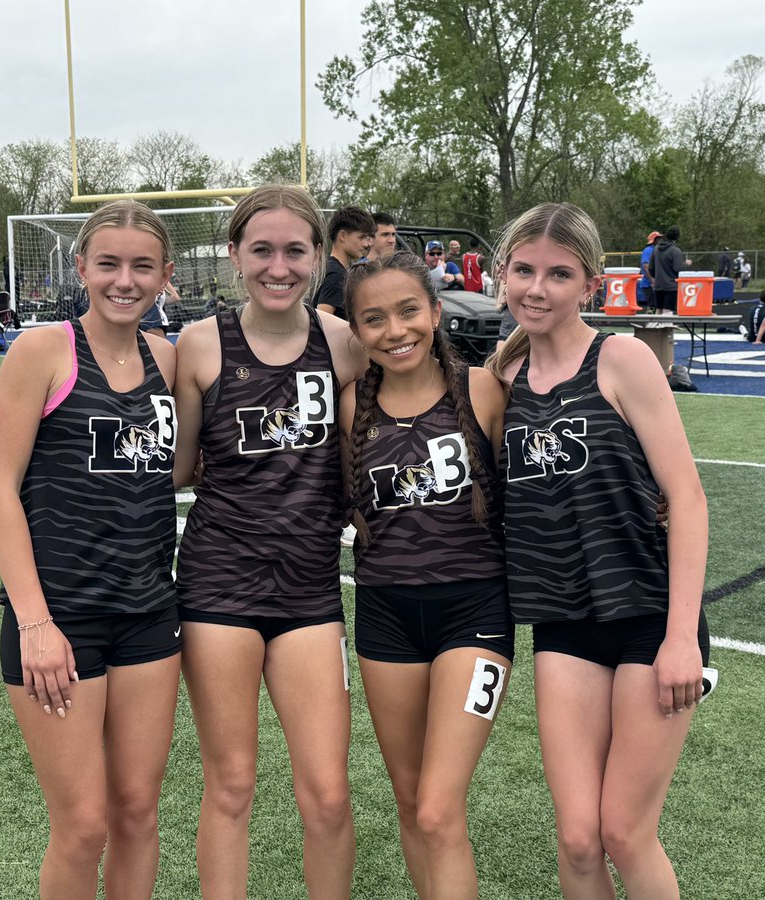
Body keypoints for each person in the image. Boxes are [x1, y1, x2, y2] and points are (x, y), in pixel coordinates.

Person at [487, 202, 710, 900]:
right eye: (523, 270)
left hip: (648, 616)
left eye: (559, 274)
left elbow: (689, 499)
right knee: (579, 837)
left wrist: (682, 637)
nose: (537, 288)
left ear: (589, 285)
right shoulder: (501, 381)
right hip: (563, 624)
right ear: (501, 274)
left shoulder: (620, 359)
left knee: (624, 832)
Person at [0, 200, 182, 900]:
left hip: (150, 613)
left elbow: (182, 469)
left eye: (141, 266)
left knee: (136, 814)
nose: (124, 280)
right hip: (59, 619)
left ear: (165, 275)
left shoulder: (168, 358)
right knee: (83, 826)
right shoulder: (43, 350)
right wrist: (36, 625)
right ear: (81, 268)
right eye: (109, 264)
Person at [172, 184, 367, 899]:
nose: (277, 266)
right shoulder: (199, 344)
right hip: (218, 587)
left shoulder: (343, 343)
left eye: (294, 250)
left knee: (328, 794)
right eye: (261, 250)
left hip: (310, 593)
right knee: (231, 785)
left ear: (319, 256)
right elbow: (181, 467)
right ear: (234, 255)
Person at [341, 251, 511, 897]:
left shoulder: (483, 390)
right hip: (385, 620)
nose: (396, 329)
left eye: (409, 310)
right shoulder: (351, 405)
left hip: (474, 618)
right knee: (411, 804)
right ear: (357, 332)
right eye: (374, 318)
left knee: (440, 809)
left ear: (436, 311)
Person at [315, 205, 375, 320]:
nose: (366, 244)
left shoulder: (330, 268)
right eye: (361, 237)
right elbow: (322, 321)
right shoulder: (336, 275)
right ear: (342, 236)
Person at [648, 225, 687, 313]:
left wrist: (657, 277)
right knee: (667, 310)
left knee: (659, 309)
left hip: (658, 285)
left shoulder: (656, 249)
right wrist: (686, 265)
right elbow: (678, 269)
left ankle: (657, 326)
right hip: (671, 286)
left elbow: (651, 268)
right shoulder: (675, 251)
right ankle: (666, 326)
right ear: (677, 237)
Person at [639, 232, 661, 311]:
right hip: (649, 284)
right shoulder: (648, 250)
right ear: (654, 240)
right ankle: (650, 321)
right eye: (658, 239)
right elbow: (645, 265)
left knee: (656, 305)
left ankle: (654, 321)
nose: (660, 240)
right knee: (652, 305)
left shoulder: (656, 250)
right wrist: (652, 279)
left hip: (654, 282)